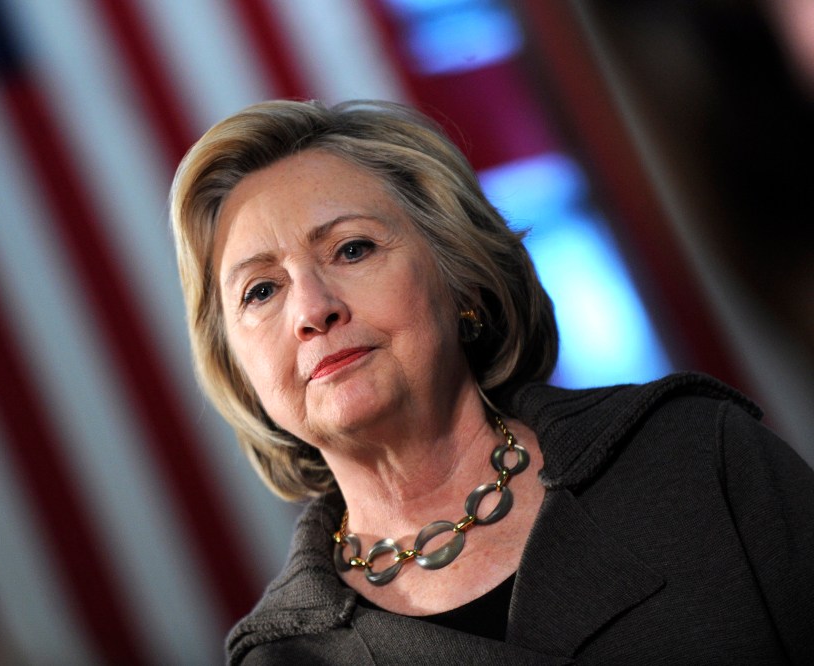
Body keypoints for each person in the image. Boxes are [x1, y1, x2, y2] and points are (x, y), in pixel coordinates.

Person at [169, 99, 814, 664]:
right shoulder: (286, 659)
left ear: (462, 277)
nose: (313, 310)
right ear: (239, 370)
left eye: (353, 249)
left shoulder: (696, 455)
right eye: (260, 291)